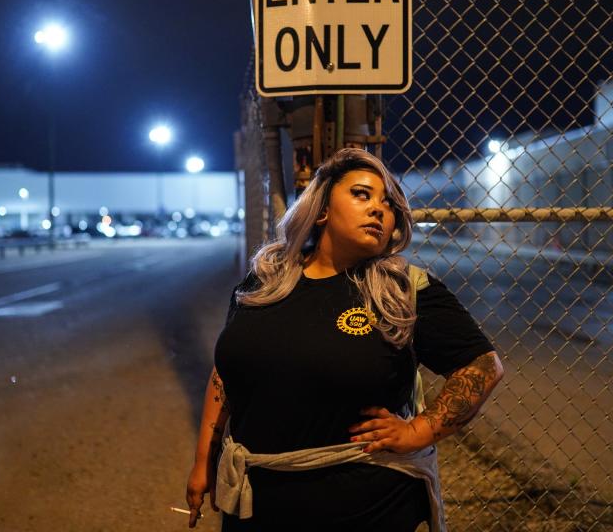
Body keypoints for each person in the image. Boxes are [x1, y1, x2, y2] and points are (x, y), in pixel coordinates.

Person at [185, 147, 503, 531]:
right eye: (361, 194)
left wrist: (419, 430)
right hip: (258, 500)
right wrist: (204, 461)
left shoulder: (402, 291)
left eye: (388, 204)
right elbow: (227, 372)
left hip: (362, 505)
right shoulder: (263, 283)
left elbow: (483, 365)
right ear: (321, 210)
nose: (378, 209)